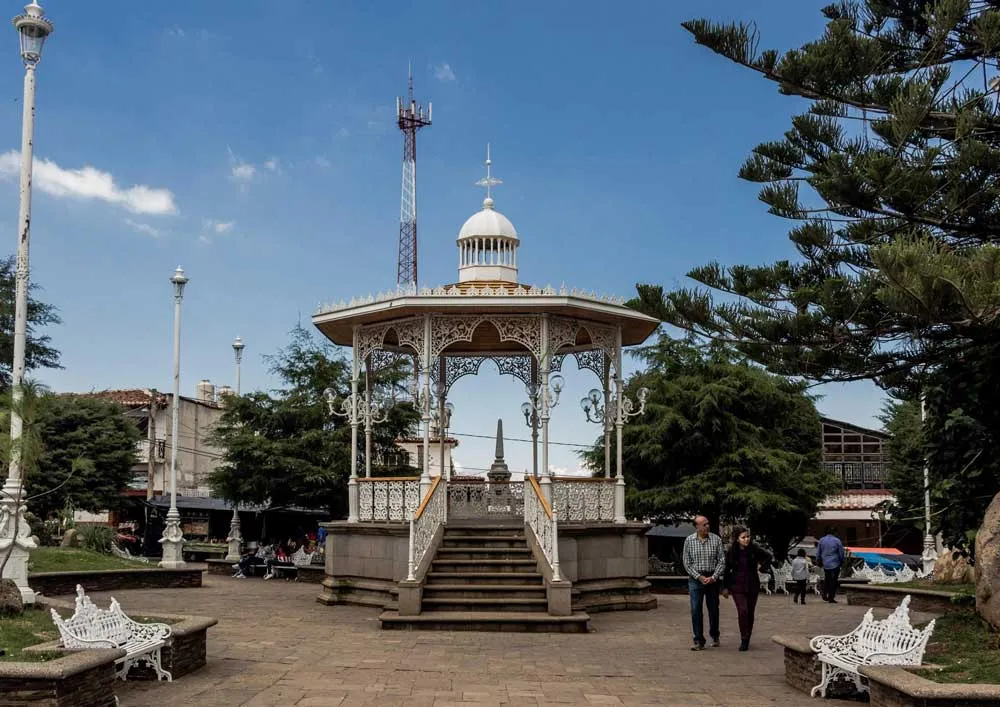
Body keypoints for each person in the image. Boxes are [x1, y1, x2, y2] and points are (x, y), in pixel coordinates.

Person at [683, 515, 725, 650]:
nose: (707, 526)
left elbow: (721, 560)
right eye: (704, 524)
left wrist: (714, 577)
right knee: (695, 609)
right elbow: (686, 563)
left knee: (713, 609)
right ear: (697, 527)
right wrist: (699, 577)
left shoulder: (716, 539)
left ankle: (715, 635)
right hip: (696, 579)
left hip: (712, 577)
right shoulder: (689, 541)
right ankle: (698, 640)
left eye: (708, 524)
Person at [721, 526, 767, 651]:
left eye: (747, 537)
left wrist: (762, 567)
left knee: (750, 612)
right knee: (743, 611)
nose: (746, 539)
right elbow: (726, 570)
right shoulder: (731, 552)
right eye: (743, 537)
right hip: (737, 585)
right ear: (737, 539)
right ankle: (743, 637)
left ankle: (747, 638)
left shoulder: (754, 549)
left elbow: (768, 557)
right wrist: (725, 587)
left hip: (752, 584)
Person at [816, 527, 845, 602]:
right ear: (834, 533)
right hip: (835, 563)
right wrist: (842, 561)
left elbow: (818, 552)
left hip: (826, 563)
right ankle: (831, 597)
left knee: (827, 579)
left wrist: (818, 561)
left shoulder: (821, 540)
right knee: (834, 581)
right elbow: (841, 553)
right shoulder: (837, 541)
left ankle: (825, 592)